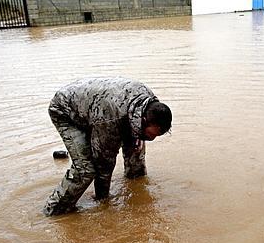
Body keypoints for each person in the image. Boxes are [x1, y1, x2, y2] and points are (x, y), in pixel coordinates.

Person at [43, 78, 172, 216]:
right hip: (65, 111)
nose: (151, 139)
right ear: (144, 120)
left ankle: (136, 188)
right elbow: (103, 163)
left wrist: (139, 135)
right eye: (150, 135)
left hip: (97, 108)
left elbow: (135, 125)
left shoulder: (150, 102)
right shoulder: (110, 120)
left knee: (136, 154)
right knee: (86, 169)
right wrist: (103, 204)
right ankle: (54, 210)